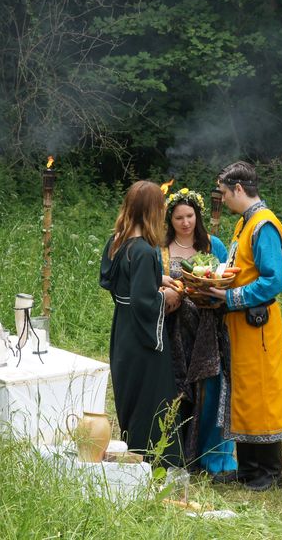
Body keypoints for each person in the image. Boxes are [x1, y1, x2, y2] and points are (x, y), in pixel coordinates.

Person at [203, 161, 282, 491]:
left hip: (258, 327)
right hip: (240, 326)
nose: (223, 199)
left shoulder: (263, 226)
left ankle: (269, 472)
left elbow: (274, 280)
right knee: (242, 392)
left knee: (262, 394)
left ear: (239, 189)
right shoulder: (245, 222)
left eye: (224, 193)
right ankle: (248, 468)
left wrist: (231, 297)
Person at [99, 180, 183, 466]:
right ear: (152, 212)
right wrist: (166, 295)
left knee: (130, 392)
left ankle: (133, 453)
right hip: (142, 335)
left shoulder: (116, 242)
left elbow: (111, 280)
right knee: (151, 395)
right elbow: (143, 302)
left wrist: (156, 278)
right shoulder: (145, 251)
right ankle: (156, 461)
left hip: (122, 330)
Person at [158, 187, 237, 475]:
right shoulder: (161, 249)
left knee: (209, 389)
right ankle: (176, 451)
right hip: (174, 331)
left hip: (207, 330)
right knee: (177, 389)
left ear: (197, 216)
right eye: (179, 218)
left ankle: (208, 455)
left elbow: (227, 278)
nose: (185, 223)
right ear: (170, 220)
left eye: (190, 216)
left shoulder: (213, 245)